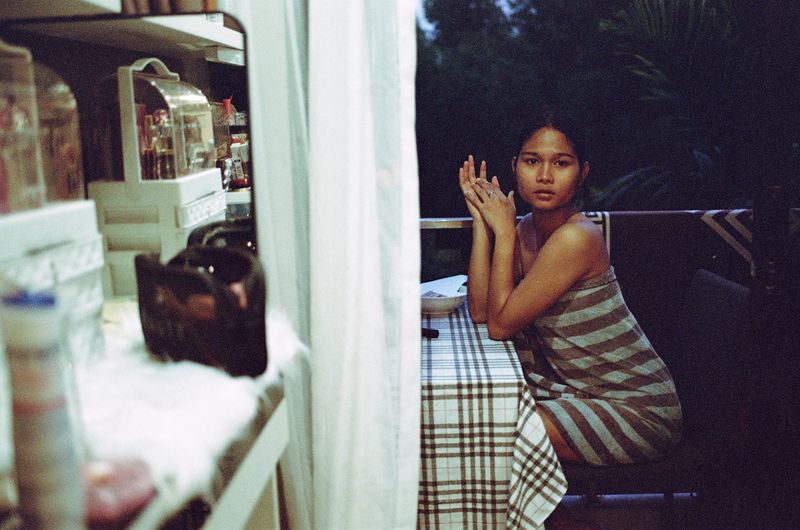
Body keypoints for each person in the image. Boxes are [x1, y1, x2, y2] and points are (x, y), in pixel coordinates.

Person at [459, 110, 682, 469]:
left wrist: (502, 232)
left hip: (638, 411)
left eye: (561, 163)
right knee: (482, 416)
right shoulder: (527, 230)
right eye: (532, 161)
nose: (545, 176)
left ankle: (558, 524)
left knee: (493, 429)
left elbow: (500, 327)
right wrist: (481, 224)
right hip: (581, 395)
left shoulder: (577, 238)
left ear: (583, 173)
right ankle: (551, 521)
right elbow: (481, 311)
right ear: (515, 166)